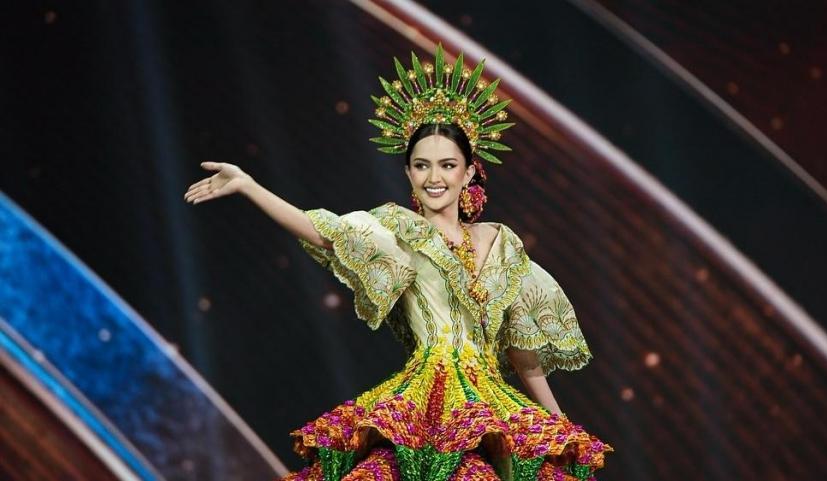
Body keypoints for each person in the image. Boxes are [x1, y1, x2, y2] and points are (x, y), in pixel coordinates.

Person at [184, 43, 612, 481]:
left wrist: (559, 428)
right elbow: (325, 232)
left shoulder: (502, 244)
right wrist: (250, 186)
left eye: (447, 165)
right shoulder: (398, 231)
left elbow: (524, 357)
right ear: (408, 173)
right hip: (423, 402)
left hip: (494, 410)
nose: (434, 177)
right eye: (421, 165)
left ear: (468, 172)